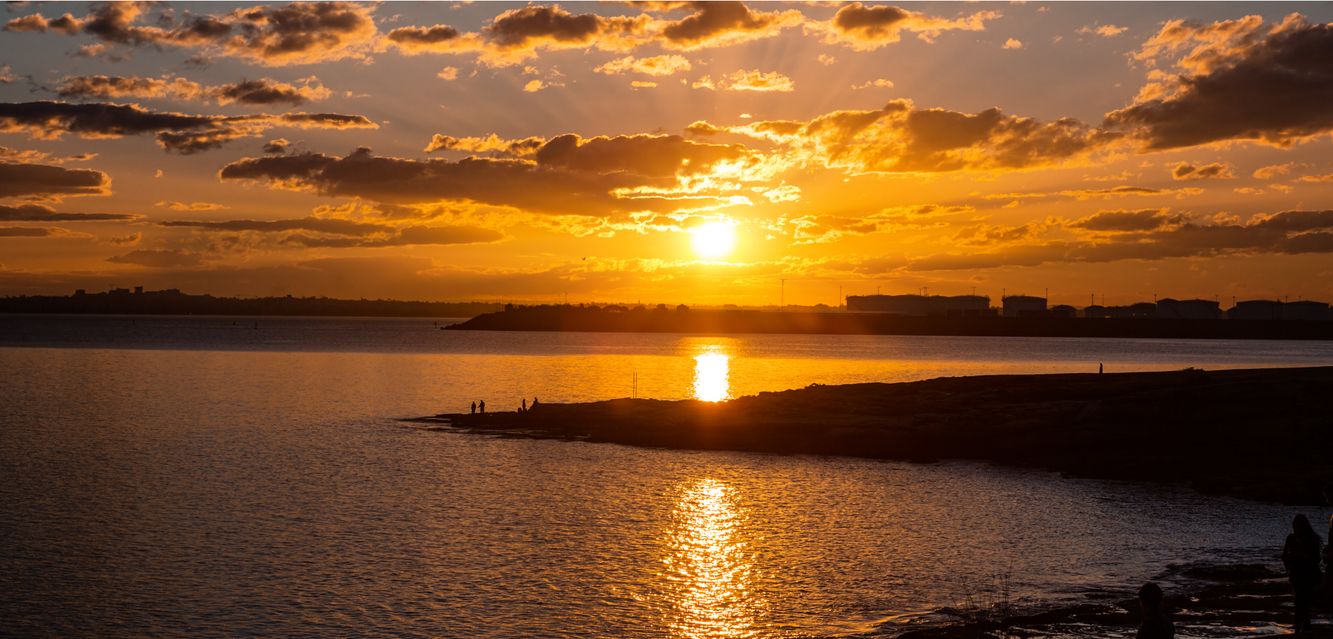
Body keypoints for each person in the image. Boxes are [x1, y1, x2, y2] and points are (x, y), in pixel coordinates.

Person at [1282, 513, 1323, 633]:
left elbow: (1316, 559)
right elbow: (1284, 555)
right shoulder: (1291, 538)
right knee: (1301, 599)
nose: (1296, 528)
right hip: (1296, 573)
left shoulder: (1312, 539)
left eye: (1298, 526)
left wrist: (1303, 557)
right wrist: (1289, 566)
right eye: (1295, 526)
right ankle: (1303, 626)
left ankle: (1300, 626)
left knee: (1301, 599)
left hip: (1309, 574)